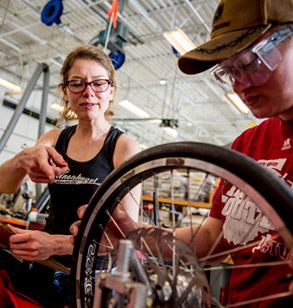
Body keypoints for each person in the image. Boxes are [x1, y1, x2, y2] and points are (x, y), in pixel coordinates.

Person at [70, 1, 293, 307]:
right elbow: (212, 236)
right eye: (228, 71)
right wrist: (135, 234)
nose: (240, 85)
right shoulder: (248, 145)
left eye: (251, 61)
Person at [0, 44, 141, 307]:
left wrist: (57, 244)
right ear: (65, 92)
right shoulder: (55, 138)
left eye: (98, 83)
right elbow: (3, 184)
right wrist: (23, 159)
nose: (88, 92)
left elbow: (126, 237)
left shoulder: (124, 147)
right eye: (77, 83)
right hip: (44, 267)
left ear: (110, 91)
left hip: (93, 280)